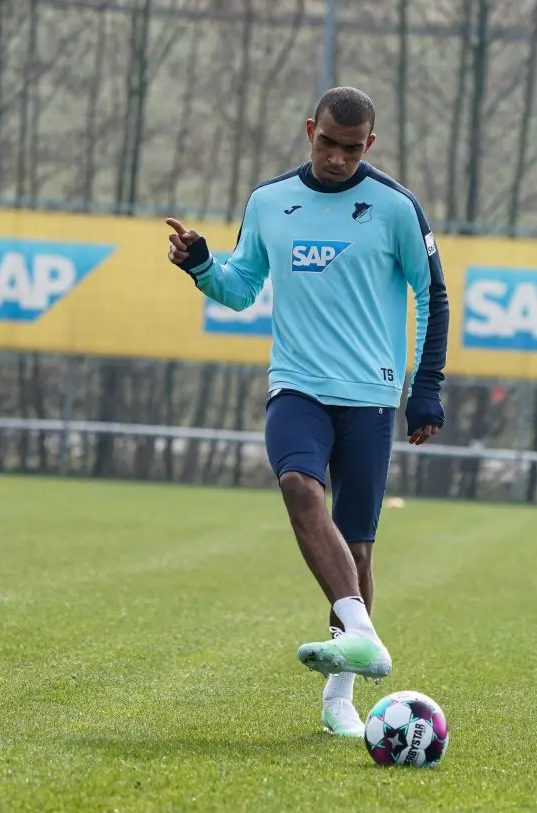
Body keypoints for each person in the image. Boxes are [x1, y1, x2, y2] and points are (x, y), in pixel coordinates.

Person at [166, 87, 449, 738]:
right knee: (298, 482)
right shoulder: (269, 202)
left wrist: (425, 386)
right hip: (297, 386)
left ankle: (339, 698)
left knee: (357, 547)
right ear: (309, 131)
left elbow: (432, 295)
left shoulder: (395, 207)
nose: (338, 158)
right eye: (328, 143)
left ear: (368, 144)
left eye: (352, 148)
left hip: (370, 395)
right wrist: (202, 265)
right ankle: (364, 635)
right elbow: (241, 288)